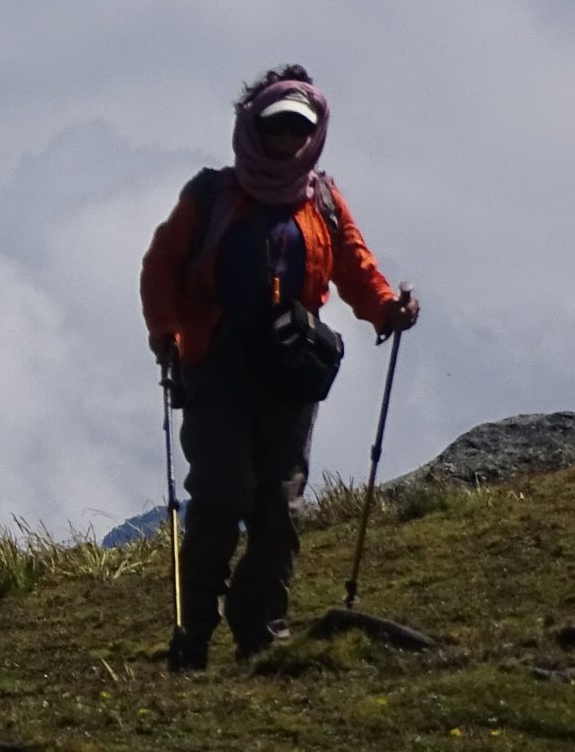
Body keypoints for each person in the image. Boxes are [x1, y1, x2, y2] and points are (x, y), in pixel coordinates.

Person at [138, 65, 420, 672]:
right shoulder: (209, 195)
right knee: (220, 493)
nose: (288, 139)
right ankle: (196, 630)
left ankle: (261, 629)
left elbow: (355, 267)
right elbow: (161, 266)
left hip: (290, 367)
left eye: (300, 128)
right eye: (277, 127)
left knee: (278, 502)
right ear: (252, 127)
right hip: (216, 363)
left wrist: (387, 309)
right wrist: (167, 332)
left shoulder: (321, 199)